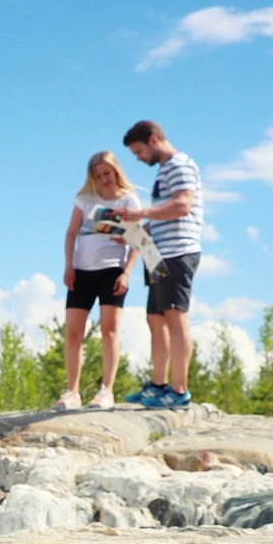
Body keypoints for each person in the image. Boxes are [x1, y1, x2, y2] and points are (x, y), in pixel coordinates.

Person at [116, 119, 203, 407]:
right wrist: (128, 234)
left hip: (178, 252)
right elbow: (161, 219)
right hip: (158, 255)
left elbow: (182, 205)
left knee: (175, 317)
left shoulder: (179, 165)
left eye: (139, 151)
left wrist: (140, 213)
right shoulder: (165, 170)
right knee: (155, 317)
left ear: (153, 140)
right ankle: (158, 384)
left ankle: (179, 391)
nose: (139, 158)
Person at [56, 150, 144, 409]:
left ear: (116, 171)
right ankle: (72, 391)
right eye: (98, 175)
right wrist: (69, 266)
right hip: (81, 271)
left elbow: (138, 241)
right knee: (73, 332)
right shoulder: (85, 199)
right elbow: (71, 233)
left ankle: (107, 390)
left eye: (107, 173)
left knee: (109, 330)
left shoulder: (129, 200)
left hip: (112, 270)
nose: (104, 179)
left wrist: (126, 273)